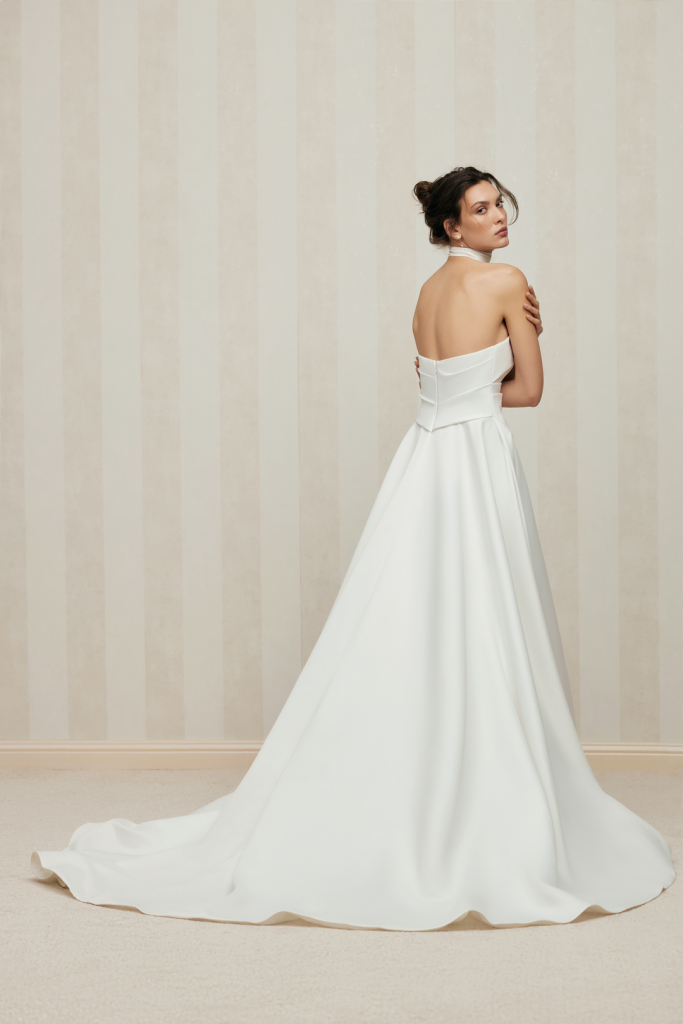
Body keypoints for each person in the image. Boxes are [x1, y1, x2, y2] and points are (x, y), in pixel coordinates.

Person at [32, 165, 674, 930]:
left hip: (422, 460)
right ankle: (482, 783)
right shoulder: (507, 282)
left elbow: (429, 383)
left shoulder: (426, 293)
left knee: (409, 614)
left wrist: (476, 374)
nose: (497, 215)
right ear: (450, 226)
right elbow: (528, 391)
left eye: (498, 203)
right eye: (479, 209)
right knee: (486, 616)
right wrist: (517, 342)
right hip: (474, 462)